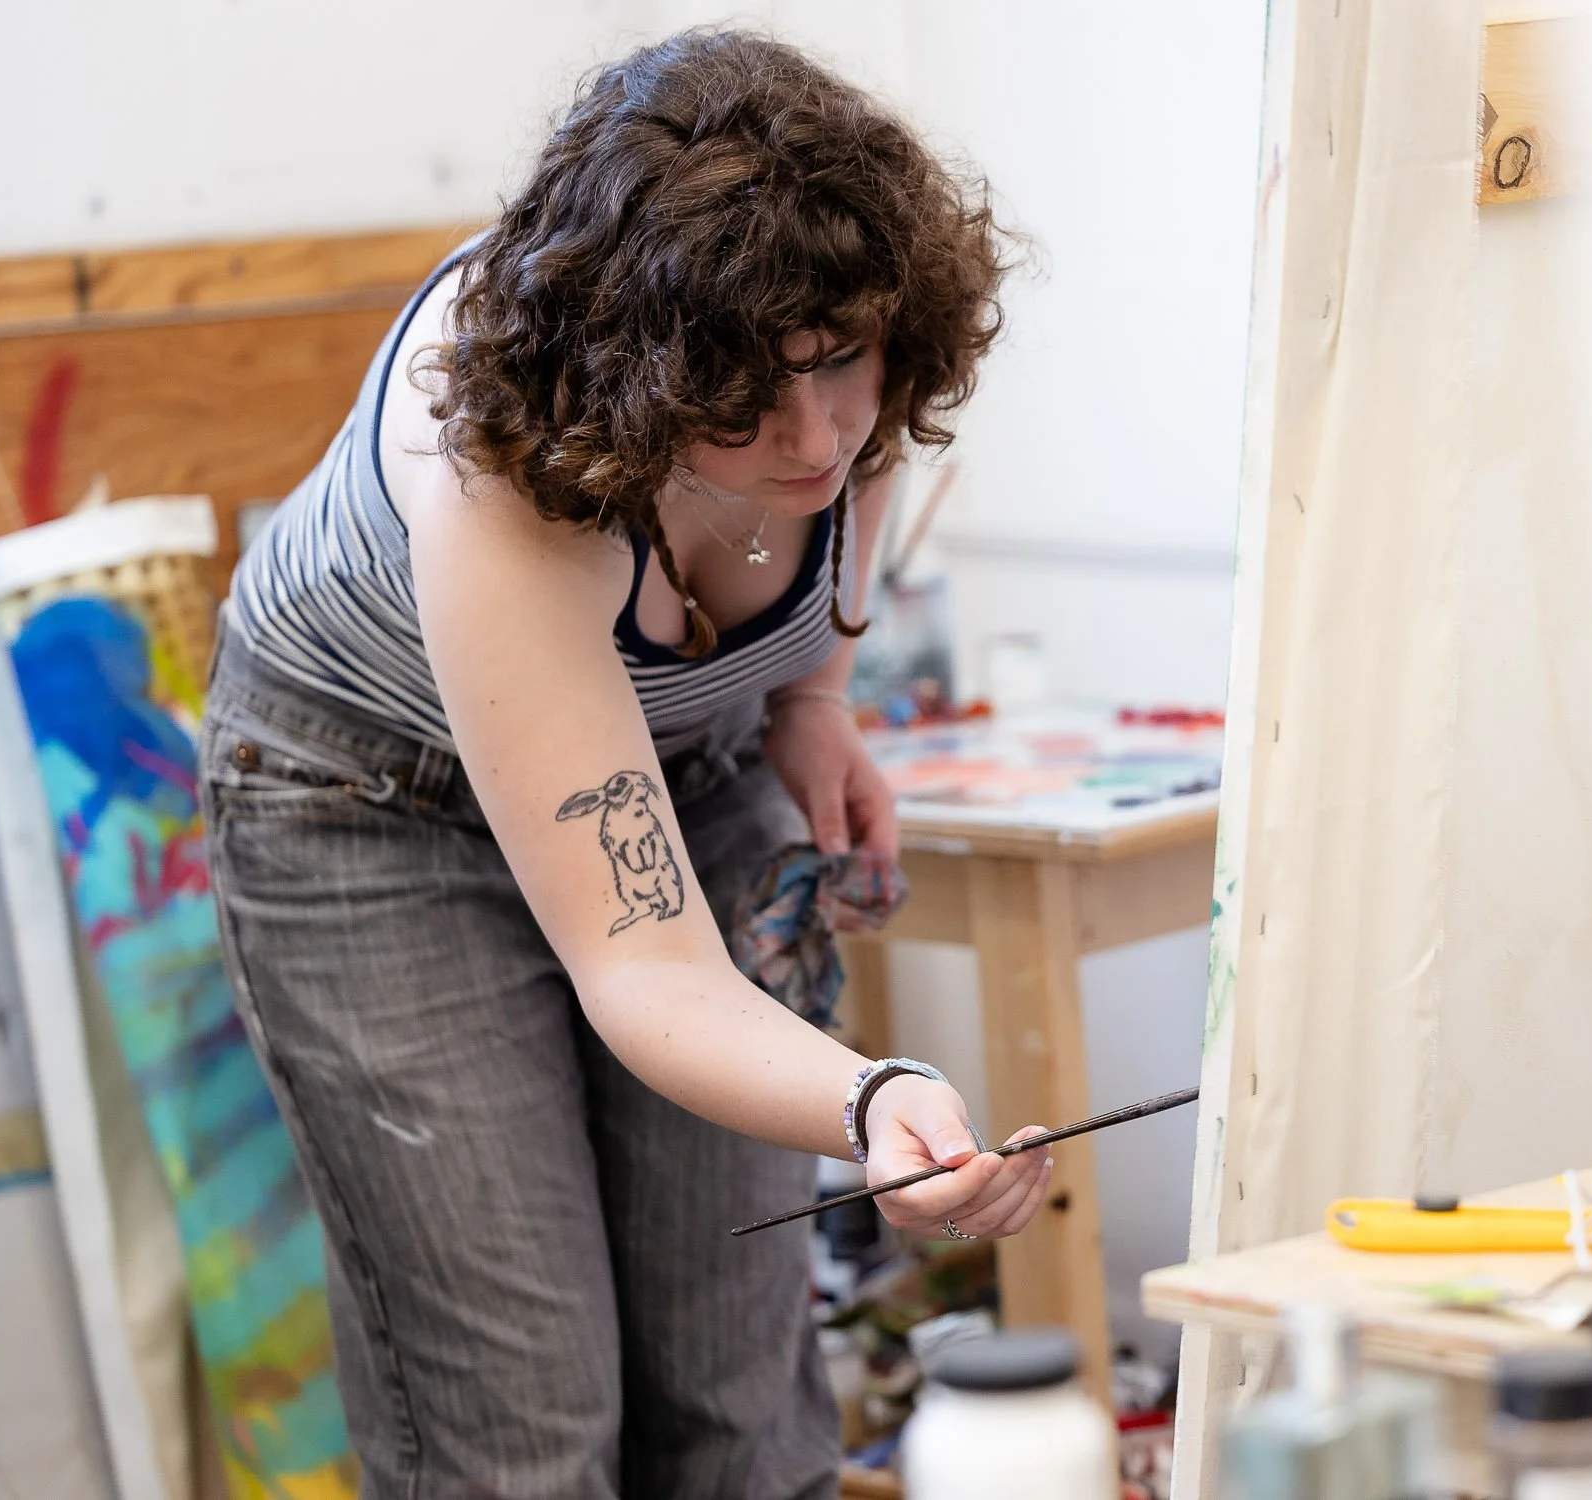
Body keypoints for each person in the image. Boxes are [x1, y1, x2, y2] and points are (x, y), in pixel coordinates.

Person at [197, 30, 1048, 1499]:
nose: (810, 435)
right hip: (370, 815)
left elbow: (846, 469)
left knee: (737, 1405)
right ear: (637, 382)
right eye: (741, 398)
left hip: (683, 760)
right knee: (526, 1425)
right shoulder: (504, 467)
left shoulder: (846, 365)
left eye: (838, 362)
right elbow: (643, 964)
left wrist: (811, 706)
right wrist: (872, 1102)